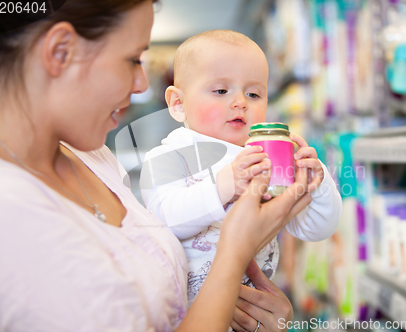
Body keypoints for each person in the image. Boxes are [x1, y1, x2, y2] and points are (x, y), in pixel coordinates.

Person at [0, 1, 313, 332]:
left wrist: (257, 314)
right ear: (60, 52)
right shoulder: (1, 209)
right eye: (133, 59)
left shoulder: (91, 156)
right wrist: (234, 253)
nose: (143, 83)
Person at [139, 30, 341, 314]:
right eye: (221, 91)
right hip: (189, 314)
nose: (240, 102)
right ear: (178, 103)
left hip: (253, 311)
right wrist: (224, 186)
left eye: (254, 93)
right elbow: (164, 218)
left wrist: (316, 183)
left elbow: (315, 228)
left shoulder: (267, 160)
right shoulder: (169, 155)